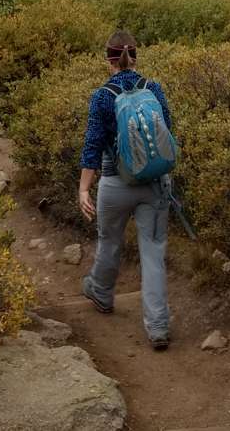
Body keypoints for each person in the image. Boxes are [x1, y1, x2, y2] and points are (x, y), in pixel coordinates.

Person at [78, 30, 174, 350]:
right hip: (154, 185)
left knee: (109, 241)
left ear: (109, 59)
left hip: (114, 184)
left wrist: (83, 189)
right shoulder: (153, 88)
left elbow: (93, 145)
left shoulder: (102, 96)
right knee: (153, 253)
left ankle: (102, 293)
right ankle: (158, 327)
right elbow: (167, 132)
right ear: (136, 56)